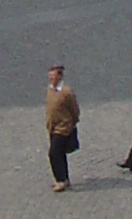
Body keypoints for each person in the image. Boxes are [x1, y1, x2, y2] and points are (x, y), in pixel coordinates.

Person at [45, 64, 80, 193]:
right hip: (52, 127)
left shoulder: (66, 92)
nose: (51, 79)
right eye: (50, 76)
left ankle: (60, 180)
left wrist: (72, 123)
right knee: (60, 154)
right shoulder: (50, 90)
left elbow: (75, 110)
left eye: (53, 76)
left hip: (63, 128)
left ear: (60, 77)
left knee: (53, 153)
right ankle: (65, 178)